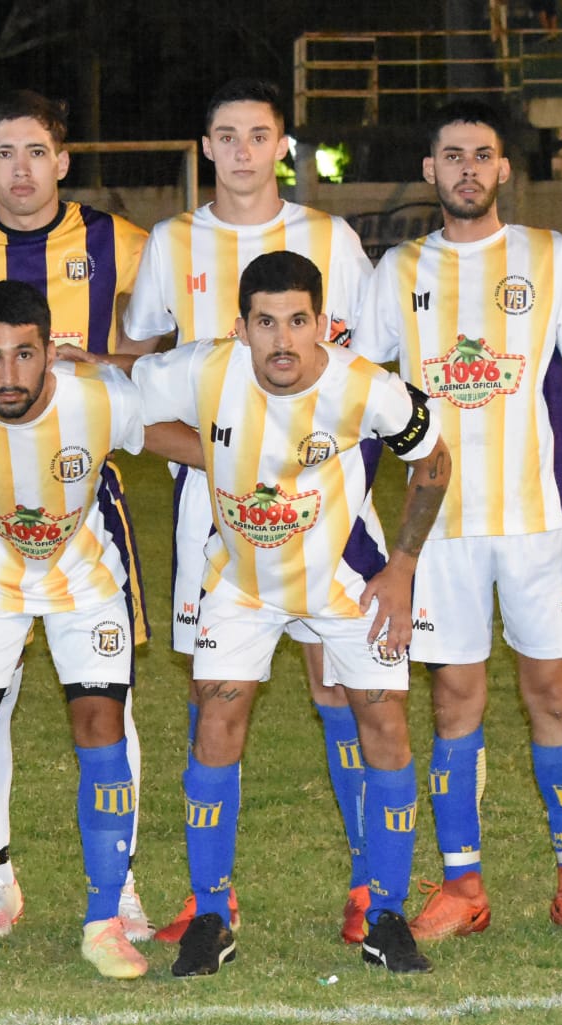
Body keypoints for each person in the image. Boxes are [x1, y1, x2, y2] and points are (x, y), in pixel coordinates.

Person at [354, 99, 562, 945]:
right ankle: (463, 885)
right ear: (429, 169)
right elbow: (359, 396)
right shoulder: (398, 269)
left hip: (537, 522)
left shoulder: (550, 255)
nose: (467, 169)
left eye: (482, 155)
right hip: (438, 529)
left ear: (504, 168)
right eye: (452, 155)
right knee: (455, 701)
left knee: (552, 692)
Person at [135, 250, 449, 976]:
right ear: (240, 327)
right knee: (216, 721)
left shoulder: (366, 388)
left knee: (386, 727)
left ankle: (386, 914)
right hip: (241, 582)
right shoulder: (202, 369)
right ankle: (211, 913)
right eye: (266, 323)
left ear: (322, 324)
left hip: (348, 582)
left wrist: (402, 566)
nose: (283, 340)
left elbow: (433, 460)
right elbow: (122, 404)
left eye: (298, 322)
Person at [120, 77, 377, 946]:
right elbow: (134, 366)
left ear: (281, 147)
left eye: (258, 135)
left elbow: (369, 370)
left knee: (337, 679)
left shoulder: (331, 239)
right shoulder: (173, 241)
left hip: (325, 496)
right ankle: (211, 896)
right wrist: (216, 454)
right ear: (205, 147)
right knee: (213, 684)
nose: (241, 151)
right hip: (215, 503)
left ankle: (368, 883)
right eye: (225, 136)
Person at [0, 90, 155, 941]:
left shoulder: (121, 242)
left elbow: (166, 349)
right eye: (5, 153)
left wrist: (106, 363)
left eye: (37, 152)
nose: (21, 169)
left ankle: (119, 881)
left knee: (109, 701)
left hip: (84, 497)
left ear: (63, 161)